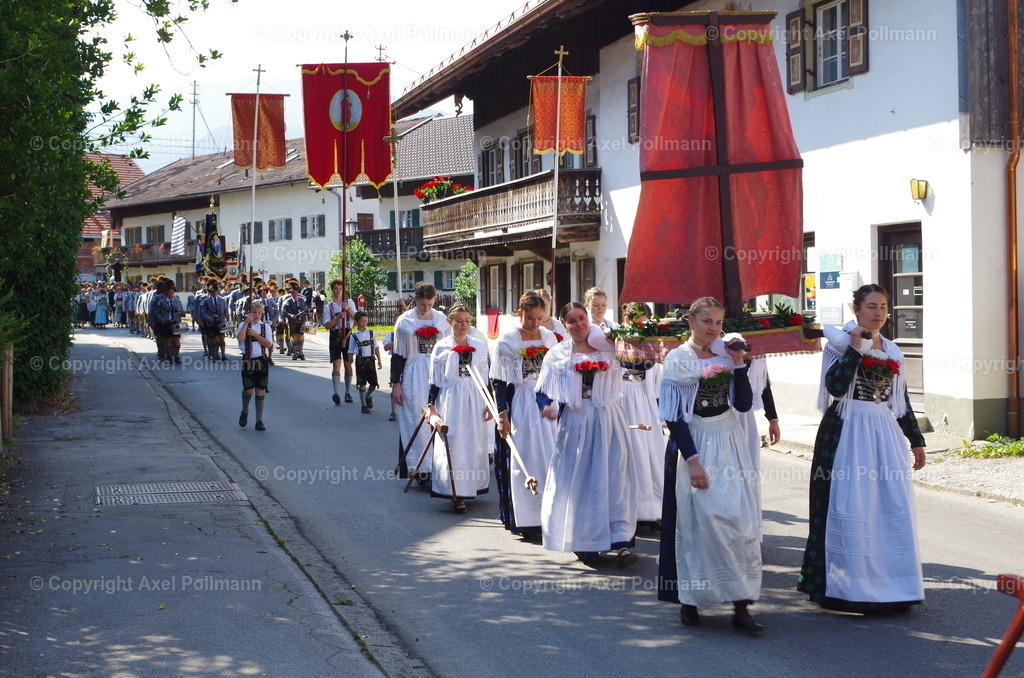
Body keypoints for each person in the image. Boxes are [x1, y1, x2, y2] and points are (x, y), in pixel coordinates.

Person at [797, 283, 926, 613]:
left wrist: (917, 441)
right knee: (851, 504)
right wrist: (855, 347)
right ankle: (845, 587)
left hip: (883, 432)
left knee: (887, 506)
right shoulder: (840, 343)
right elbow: (836, 386)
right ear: (856, 309)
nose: (879, 313)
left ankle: (894, 587)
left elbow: (902, 400)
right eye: (871, 306)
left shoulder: (893, 350)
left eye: (883, 306)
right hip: (847, 429)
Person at [657, 296, 761, 632]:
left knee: (740, 521)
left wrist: (740, 362)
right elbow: (674, 417)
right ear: (691, 321)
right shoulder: (677, 359)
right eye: (707, 322)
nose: (713, 328)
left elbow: (743, 405)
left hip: (729, 440)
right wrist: (694, 462)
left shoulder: (725, 354)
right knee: (700, 521)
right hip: (697, 442)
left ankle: (741, 603)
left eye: (717, 322)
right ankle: (690, 598)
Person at [536, 302, 638, 566]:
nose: (579, 324)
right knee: (579, 480)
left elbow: (641, 365)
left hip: (609, 417)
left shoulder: (609, 346)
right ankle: (586, 540)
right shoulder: (558, 354)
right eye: (572, 321)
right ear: (565, 325)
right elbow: (542, 390)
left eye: (582, 318)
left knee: (614, 474)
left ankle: (620, 540)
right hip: (577, 421)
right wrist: (547, 407)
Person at [490, 293, 559, 538]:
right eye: (530, 319)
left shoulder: (549, 337)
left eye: (540, 319)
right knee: (527, 454)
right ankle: (528, 518)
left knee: (551, 453)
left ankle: (552, 513)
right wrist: (503, 415)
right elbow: (499, 381)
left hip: (548, 399)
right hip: (521, 401)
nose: (535, 324)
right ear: (520, 313)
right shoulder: (507, 341)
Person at [425, 303, 491, 513]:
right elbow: (434, 380)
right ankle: (455, 491)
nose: (463, 325)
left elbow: (486, 378)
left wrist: (491, 404)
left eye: (467, 321)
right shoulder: (441, 346)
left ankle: (471, 486)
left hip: (474, 397)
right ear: (450, 322)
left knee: (473, 442)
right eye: (459, 321)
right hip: (451, 399)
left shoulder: (479, 345)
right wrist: (431, 405)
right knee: (454, 442)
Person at [391, 282, 452, 478]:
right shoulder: (405, 321)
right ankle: (421, 468)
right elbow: (398, 355)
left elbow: (450, 349)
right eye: (422, 304)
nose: (425, 308)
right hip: (414, 372)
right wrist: (396, 384)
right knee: (415, 419)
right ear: (415, 300)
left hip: (437, 372)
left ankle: (438, 466)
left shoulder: (442, 320)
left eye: (429, 304)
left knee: (438, 417)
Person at [619, 302, 664, 529]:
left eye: (644, 321)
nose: (640, 325)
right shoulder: (616, 341)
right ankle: (633, 509)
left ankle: (654, 508)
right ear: (626, 320)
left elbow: (656, 376)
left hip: (645, 403)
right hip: (625, 400)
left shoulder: (651, 343)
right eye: (636, 320)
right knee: (631, 452)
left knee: (650, 453)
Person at [237, 299, 274, 431]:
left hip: (261, 360)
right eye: (254, 312)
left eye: (259, 312)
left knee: (260, 389)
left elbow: (268, 344)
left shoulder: (265, 327)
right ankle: (245, 411)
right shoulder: (243, 324)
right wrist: (247, 323)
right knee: (248, 389)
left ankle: (259, 420)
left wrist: (255, 335)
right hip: (248, 360)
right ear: (249, 313)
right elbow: (240, 338)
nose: (256, 315)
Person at [323, 279, 356, 404]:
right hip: (335, 335)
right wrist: (337, 318)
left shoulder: (349, 302)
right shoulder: (328, 307)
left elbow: (358, 318)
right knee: (336, 364)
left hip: (348, 334)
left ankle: (348, 392)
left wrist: (348, 310)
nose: (338, 291)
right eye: (336, 288)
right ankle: (336, 392)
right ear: (332, 290)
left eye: (340, 288)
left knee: (348, 365)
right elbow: (327, 326)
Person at [348, 311, 382, 414]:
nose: (364, 323)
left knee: (373, 384)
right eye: (362, 321)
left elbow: (376, 347)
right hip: (360, 361)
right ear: (356, 322)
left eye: (366, 321)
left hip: (370, 360)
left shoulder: (371, 333)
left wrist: (379, 360)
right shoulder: (353, 336)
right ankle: (363, 405)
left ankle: (367, 396)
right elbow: (350, 351)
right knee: (362, 383)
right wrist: (349, 365)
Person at [196, 279, 229, 361]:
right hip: (210, 322)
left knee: (221, 337)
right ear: (209, 292)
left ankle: (223, 355)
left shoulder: (222, 299)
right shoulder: (205, 301)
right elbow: (203, 312)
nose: (214, 293)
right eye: (212, 291)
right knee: (212, 338)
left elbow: (225, 309)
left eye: (215, 291)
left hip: (220, 321)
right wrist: (207, 317)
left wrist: (226, 314)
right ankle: (214, 355)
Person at [281, 278, 310, 360]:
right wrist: (291, 315)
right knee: (294, 337)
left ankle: (300, 352)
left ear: (297, 292)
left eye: (295, 292)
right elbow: (284, 311)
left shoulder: (301, 300)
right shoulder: (288, 301)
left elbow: (306, 309)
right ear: (290, 293)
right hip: (292, 322)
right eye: (292, 292)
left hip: (301, 321)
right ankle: (295, 353)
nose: (294, 294)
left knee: (301, 336)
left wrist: (309, 313)